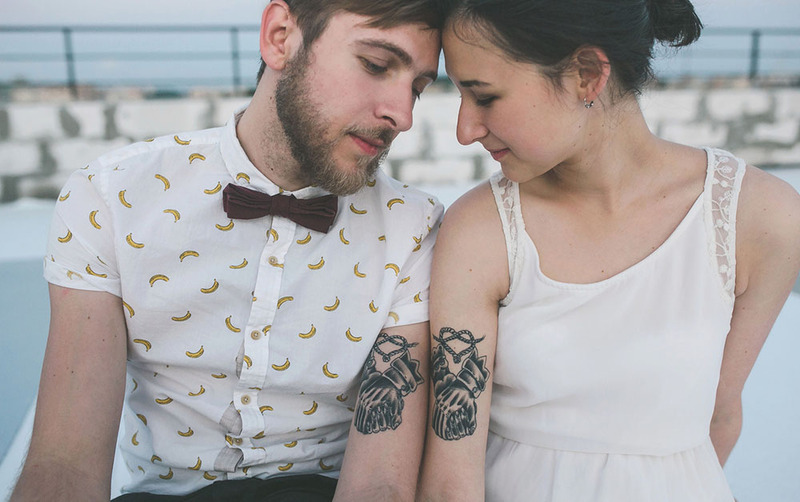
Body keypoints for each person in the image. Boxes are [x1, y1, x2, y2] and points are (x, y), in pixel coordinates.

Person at [11, 1, 443, 500]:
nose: (403, 115)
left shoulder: (414, 229)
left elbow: (378, 484)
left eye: (418, 87)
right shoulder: (110, 197)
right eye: (375, 64)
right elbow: (65, 462)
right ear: (280, 37)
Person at [417, 0, 800, 501]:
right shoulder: (480, 230)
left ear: (586, 75)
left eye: (484, 96)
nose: (464, 130)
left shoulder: (759, 217)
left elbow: (720, 412)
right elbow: (451, 472)